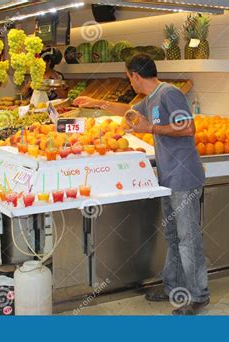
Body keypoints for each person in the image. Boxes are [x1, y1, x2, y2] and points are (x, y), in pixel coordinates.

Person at [74, 54, 209, 315]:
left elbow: (188, 127)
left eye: (128, 77)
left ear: (135, 76)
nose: (129, 82)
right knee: (173, 236)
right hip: (168, 177)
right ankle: (173, 287)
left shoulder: (169, 93)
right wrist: (97, 103)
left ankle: (198, 296)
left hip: (184, 177)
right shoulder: (152, 98)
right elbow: (130, 113)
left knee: (188, 238)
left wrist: (151, 129)